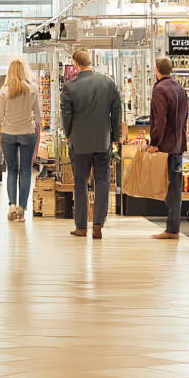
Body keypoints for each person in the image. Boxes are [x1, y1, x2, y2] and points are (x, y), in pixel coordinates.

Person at [59, 48, 122, 239]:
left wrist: (68, 134)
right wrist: (115, 137)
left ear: (75, 65)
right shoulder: (108, 83)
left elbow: (66, 115)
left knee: (80, 182)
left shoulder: (69, 87)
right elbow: (116, 112)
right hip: (103, 140)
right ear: (91, 62)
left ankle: (81, 226)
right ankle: (97, 224)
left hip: (79, 142)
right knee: (103, 181)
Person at [149, 56, 189, 241]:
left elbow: (160, 119)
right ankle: (173, 228)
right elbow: (185, 117)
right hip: (178, 144)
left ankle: (171, 230)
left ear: (157, 70)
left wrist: (155, 142)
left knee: (166, 186)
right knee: (175, 187)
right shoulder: (180, 89)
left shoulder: (159, 90)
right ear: (171, 70)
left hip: (164, 146)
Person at [0, 58, 42, 222]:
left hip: (8, 133)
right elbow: (38, 116)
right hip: (28, 132)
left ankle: (12, 206)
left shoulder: (4, 91)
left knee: (12, 170)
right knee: (25, 171)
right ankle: (22, 209)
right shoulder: (33, 89)